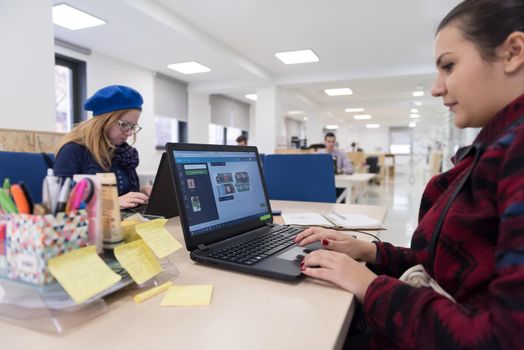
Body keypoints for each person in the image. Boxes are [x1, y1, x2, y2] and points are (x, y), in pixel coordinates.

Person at [295, 0, 524, 348]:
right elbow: (446, 265)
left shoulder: (514, 152)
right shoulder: (493, 148)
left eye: (449, 65)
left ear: (513, 52)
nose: (437, 87)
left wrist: (368, 285)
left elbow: (503, 337)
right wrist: (368, 251)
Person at [54, 85, 150, 209]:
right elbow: (63, 202)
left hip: (124, 220)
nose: (130, 132)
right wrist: (112, 203)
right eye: (125, 125)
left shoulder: (125, 154)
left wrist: (141, 193)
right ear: (104, 122)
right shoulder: (73, 151)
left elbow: (121, 194)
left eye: (133, 126)